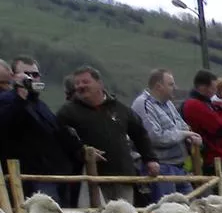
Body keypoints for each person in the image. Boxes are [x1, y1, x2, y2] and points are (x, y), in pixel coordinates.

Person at [58, 66, 157, 203]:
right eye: (77, 83)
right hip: (90, 181)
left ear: (99, 83)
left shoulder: (120, 109)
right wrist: (82, 151)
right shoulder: (67, 112)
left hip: (123, 178)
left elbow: (140, 134)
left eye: (85, 82)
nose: (80, 86)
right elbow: (63, 139)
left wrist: (150, 159)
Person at [0, 57, 78, 198]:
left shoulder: (40, 105)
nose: (31, 79)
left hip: (54, 174)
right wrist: (20, 97)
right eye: (26, 75)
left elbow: (56, 131)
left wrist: (79, 148)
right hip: (27, 177)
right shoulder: (6, 99)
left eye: (35, 75)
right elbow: (5, 124)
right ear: (14, 77)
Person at [131, 69, 201, 198]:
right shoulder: (144, 104)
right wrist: (185, 135)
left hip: (178, 167)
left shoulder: (168, 103)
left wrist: (190, 137)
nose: (175, 87)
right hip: (160, 167)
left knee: (189, 204)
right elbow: (155, 137)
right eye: (171, 84)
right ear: (159, 86)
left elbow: (182, 125)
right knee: (168, 206)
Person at [181, 70, 222, 175]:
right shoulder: (194, 104)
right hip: (216, 159)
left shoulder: (206, 103)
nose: (215, 92)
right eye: (213, 88)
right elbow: (219, 127)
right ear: (203, 87)